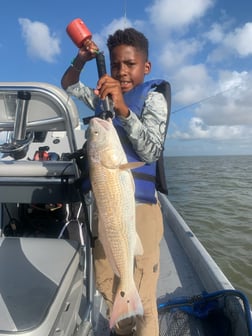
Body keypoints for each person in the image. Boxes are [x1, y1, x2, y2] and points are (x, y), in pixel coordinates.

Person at [61, 27, 171, 336]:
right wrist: (81, 59)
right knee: (109, 286)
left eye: (130, 64)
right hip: (108, 212)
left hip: (142, 213)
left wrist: (122, 108)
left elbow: (151, 151)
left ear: (145, 67)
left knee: (143, 298)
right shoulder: (100, 98)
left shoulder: (152, 99)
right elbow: (68, 84)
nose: (121, 72)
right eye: (115, 65)